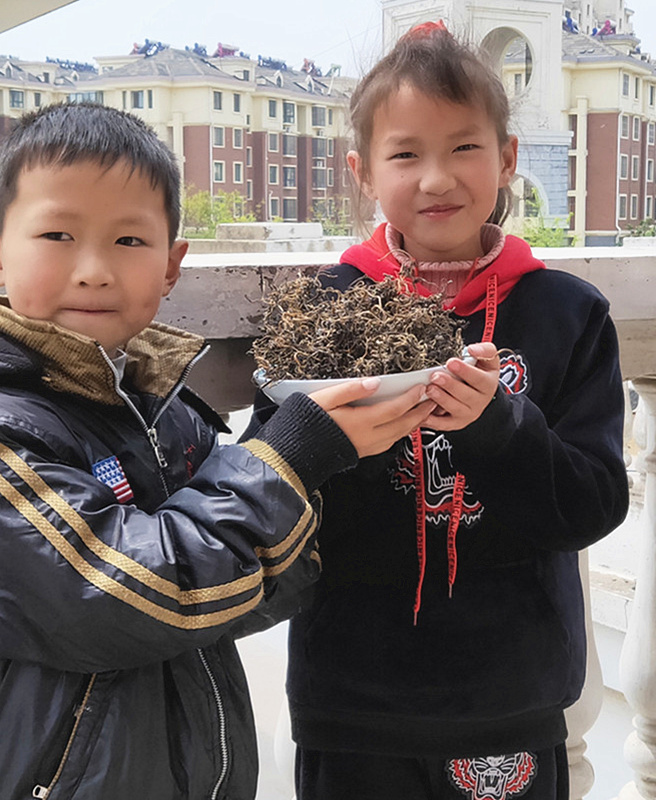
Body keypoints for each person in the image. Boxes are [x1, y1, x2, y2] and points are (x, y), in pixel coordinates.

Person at [0, 103, 438, 799]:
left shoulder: (159, 409)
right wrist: (288, 458)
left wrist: (312, 445)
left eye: (128, 242)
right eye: (57, 233)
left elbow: (256, 591)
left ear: (172, 265)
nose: (93, 270)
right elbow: (136, 595)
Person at [253, 21, 628, 799]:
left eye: (464, 147)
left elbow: (592, 502)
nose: (436, 178)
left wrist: (501, 427)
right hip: (350, 700)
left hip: (509, 700)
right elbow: (266, 488)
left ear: (507, 159)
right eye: (405, 154)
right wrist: (320, 434)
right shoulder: (326, 307)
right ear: (363, 171)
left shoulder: (566, 314)